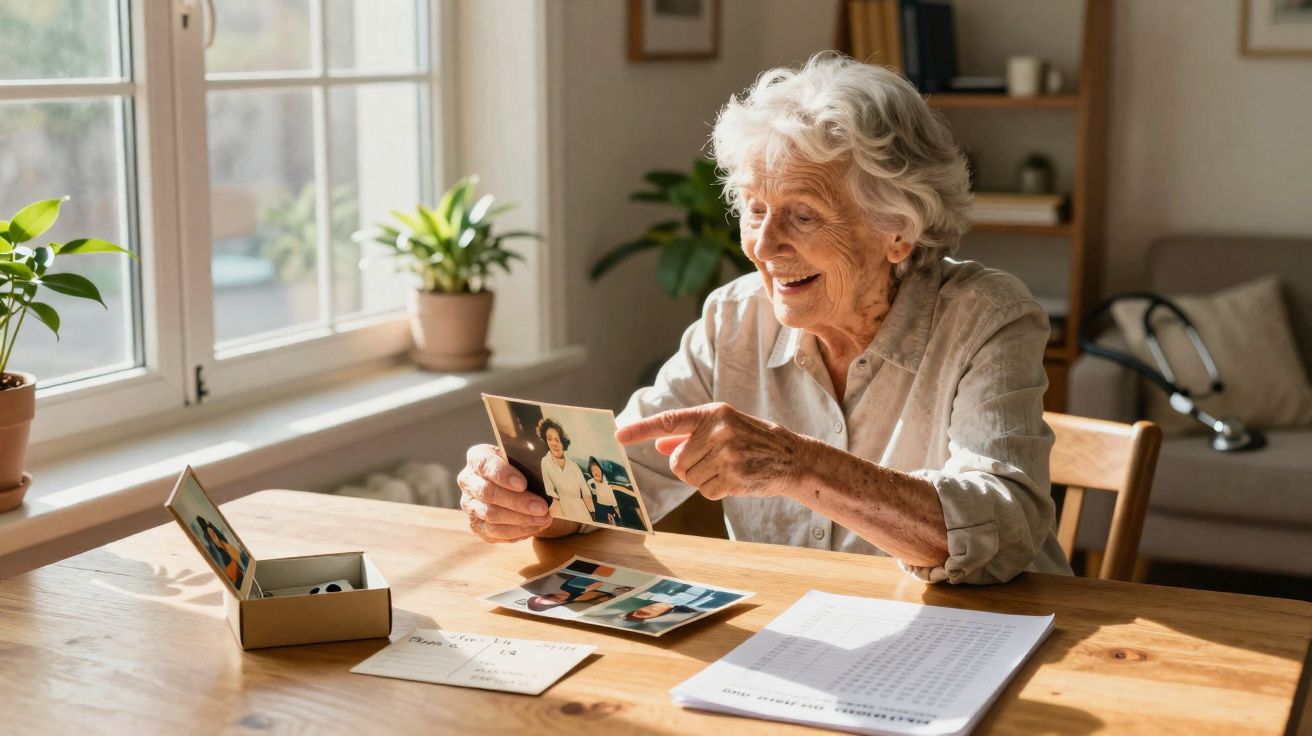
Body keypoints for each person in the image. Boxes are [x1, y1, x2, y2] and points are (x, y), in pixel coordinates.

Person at [457, 53, 1072, 585]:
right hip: (801, 646)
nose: (764, 245)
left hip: (984, 641)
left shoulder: (987, 317)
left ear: (899, 231)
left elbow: (1005, 527)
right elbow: (614, 483)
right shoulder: (734, 319)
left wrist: (799, 465)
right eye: (755, 210)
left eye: (802, 215)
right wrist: (526, 497)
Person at [535, 418, 595, 523]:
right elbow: (550, 492)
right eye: (549, 439)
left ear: (563, 443)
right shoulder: (545, 462)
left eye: (557, 440)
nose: (553, 443)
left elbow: (586, 493)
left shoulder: (574, 466)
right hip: (563, 513)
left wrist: (592, 515)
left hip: (583, 513)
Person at [196, 516, 244, 589]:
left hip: (237, 572)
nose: (213, 534)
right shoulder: (216, 551)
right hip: (233, 578)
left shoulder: (226, 546)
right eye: (210, 533)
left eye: (212, 532)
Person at [586, 457, 621, 526]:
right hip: (601, 508)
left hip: (613, 507)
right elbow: (593, 491)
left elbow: (612, 495)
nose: (595, 472)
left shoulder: (607, 479)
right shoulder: (591, 482)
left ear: (600, 468)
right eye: (592, 471)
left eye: (596, 468)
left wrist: (616, 509)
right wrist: (597, 483)